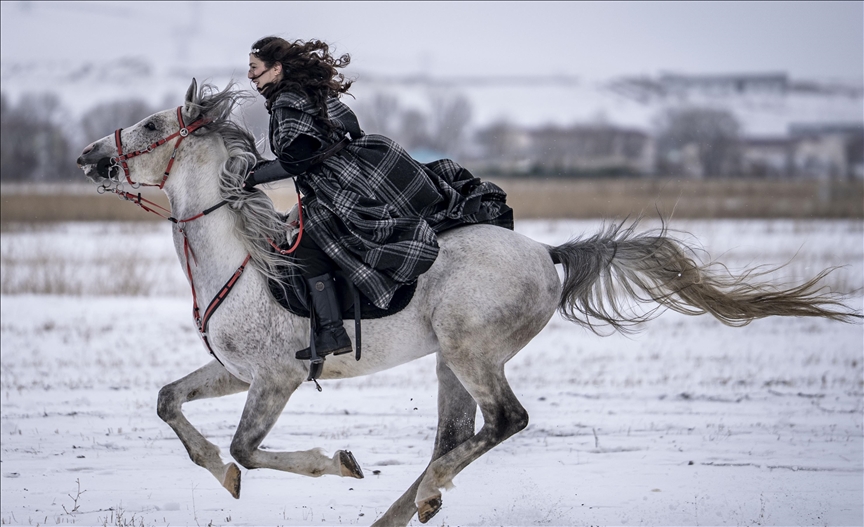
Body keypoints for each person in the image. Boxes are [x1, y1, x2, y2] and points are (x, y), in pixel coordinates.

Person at [244, 36, 513, 361]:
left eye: (254, 68)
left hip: (344, 180)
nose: (250, 75)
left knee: (307, 244)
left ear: (276, 69)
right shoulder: (307, 92)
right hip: (367, 160)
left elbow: (297, 159)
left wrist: (252, 177)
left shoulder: (287, 100)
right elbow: (344, 128)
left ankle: (331, 331)